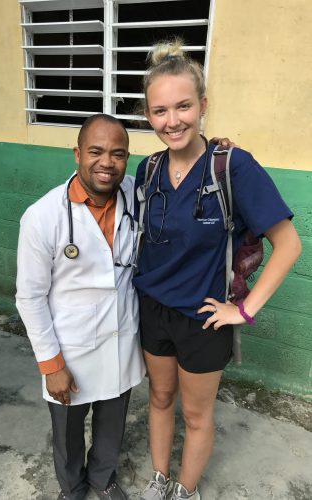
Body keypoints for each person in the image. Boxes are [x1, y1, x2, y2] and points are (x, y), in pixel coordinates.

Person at [133, 39, 301, 500]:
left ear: (203, 105)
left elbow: (288, 244)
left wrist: (243, 311)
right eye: (160, 110)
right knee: (160, 399)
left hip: (205, 319)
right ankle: (160, 477)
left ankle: (186, 490)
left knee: (196, 414)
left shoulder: (232, 166)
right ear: (148, 115)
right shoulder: (147, 171)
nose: (173, 121)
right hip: (153, 309)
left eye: (184, 106)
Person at [15, 114, 146, 500]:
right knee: (69, 432)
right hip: (69, 350)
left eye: (118, 154)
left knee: (112, 424)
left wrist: (213, 148)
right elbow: (29, 297)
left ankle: (102, 480)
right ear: (77, 154)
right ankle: (71, 488)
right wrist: (51, 364)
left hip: (121, 338)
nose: (107, 162)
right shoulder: (43, 217)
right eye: (96, 151)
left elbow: (179, 174)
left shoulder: (138, 197)